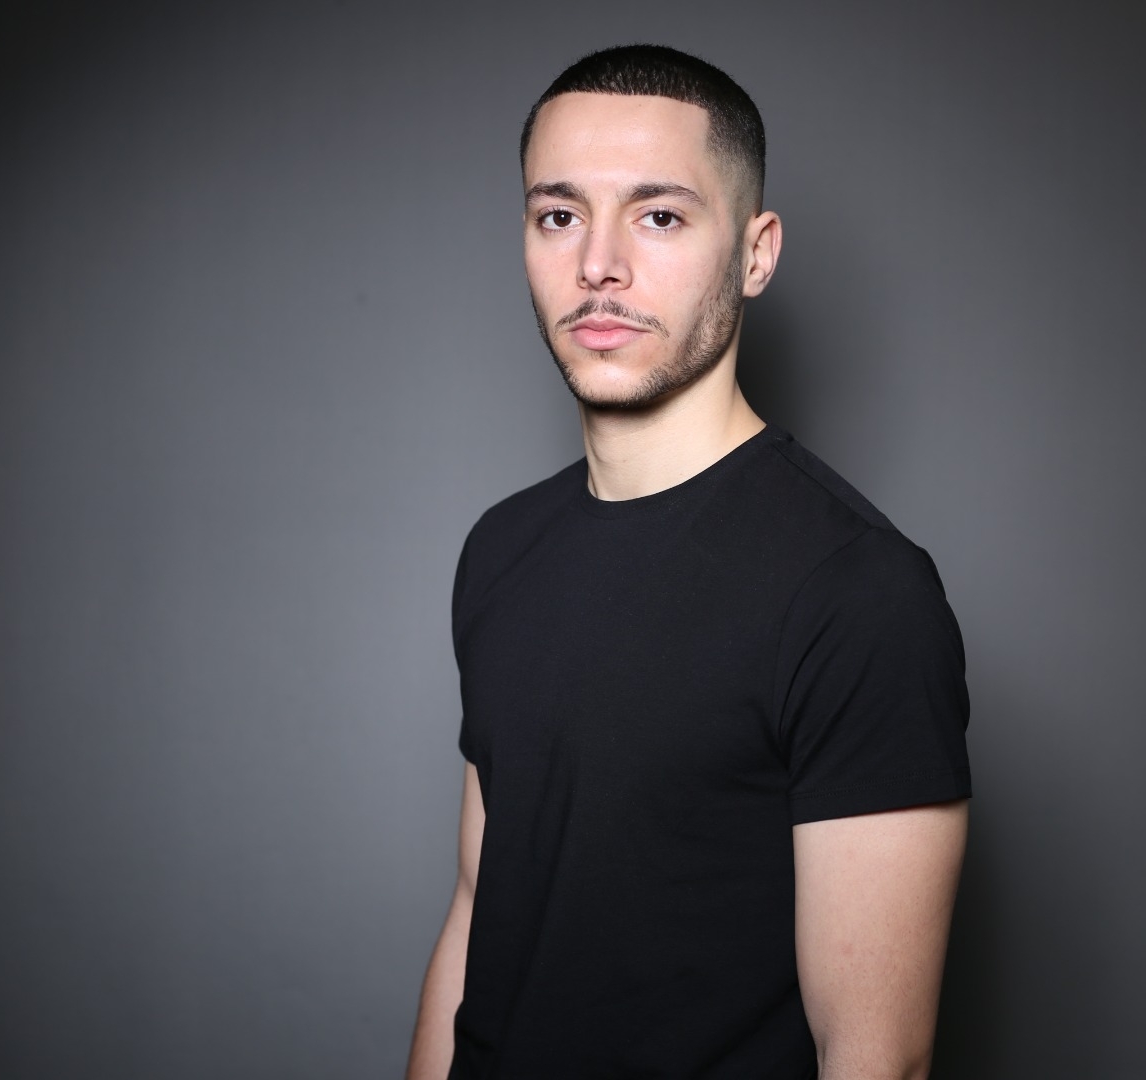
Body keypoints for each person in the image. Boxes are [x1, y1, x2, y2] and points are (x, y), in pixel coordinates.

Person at [405, 44, 971, 1080]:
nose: (598, 264)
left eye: (659, 216)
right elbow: (480, 909)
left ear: (756, 254)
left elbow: (877, 1058)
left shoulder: (858, 593)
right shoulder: (500, 549)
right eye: (558, 215)